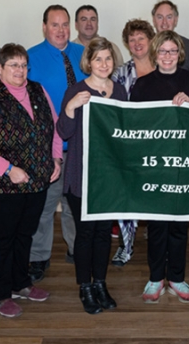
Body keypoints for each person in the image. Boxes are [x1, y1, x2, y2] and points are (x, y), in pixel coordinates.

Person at [0, 43, 62, 318]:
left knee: (24, 235)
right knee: (1, 240)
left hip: (35, 181)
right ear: (0, 68)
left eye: (23, 65)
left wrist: (56, 159)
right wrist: (9, 169)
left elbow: (53, 128)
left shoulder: (37, 90)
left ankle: (21, 283)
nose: (20, 70)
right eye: (13, 65)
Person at [130, 30, 189, 303]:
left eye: (172, 51)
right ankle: (155, 278)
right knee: (156, 225)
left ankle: (176, 277)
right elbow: (133, 126)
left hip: (185, 164)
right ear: (155, 54)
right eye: (162, 51)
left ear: (180, 54)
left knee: (178, 225)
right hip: (155, 165)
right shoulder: (142, 85)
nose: (167, 56)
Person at [58, 38, 127, 314]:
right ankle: (84, 287)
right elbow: (63, 132)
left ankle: (100, 283)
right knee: (85, 235)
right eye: (98, 59)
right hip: (81, 174)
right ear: (89, 61)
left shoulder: (119, 91)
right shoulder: (76, 90)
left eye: (108, 59)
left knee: (102, 235)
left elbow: (125, 132)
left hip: (109, 176)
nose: (103, 64)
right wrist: (71, 107)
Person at [26, 4, 83, 281]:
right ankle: (38, 257)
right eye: (54, 25)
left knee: (75, 204)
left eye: (64, 25)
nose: (60, 30)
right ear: (44, 27)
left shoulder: (83, 54)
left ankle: (76, 249)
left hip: (81, 146)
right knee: (45, 206)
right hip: (48, 147)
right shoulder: (31, 58)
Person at [110, 19, 157, 267]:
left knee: (158, 196)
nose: (137, 43)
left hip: (160, 146)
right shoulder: (120, 73)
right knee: (127, 197)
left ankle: (160, 247)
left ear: (151, 40)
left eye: (141, 38)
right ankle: (126, 247)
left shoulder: (165, 67)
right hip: (130, 146)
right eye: (132, 39)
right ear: (127, 44)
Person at [151, 0, 189, 78]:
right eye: (160, 17)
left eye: (169, 17)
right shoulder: (144, 47)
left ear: (175, 20)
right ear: (154, 20)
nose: (164, 22)